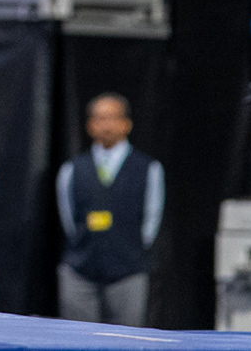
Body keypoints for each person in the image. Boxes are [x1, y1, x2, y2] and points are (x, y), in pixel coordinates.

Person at [56, 93, 163, 326]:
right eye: (100, 119)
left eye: (113, 118)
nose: (107, 125)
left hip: (128, 272)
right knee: (79, 338)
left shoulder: (148, 168)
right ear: (90, 125)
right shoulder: (72, 169)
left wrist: (130, 250)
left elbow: (151, 221)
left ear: (127, 124)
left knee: (126, 338)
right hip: (81, 271)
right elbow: (68, 218)